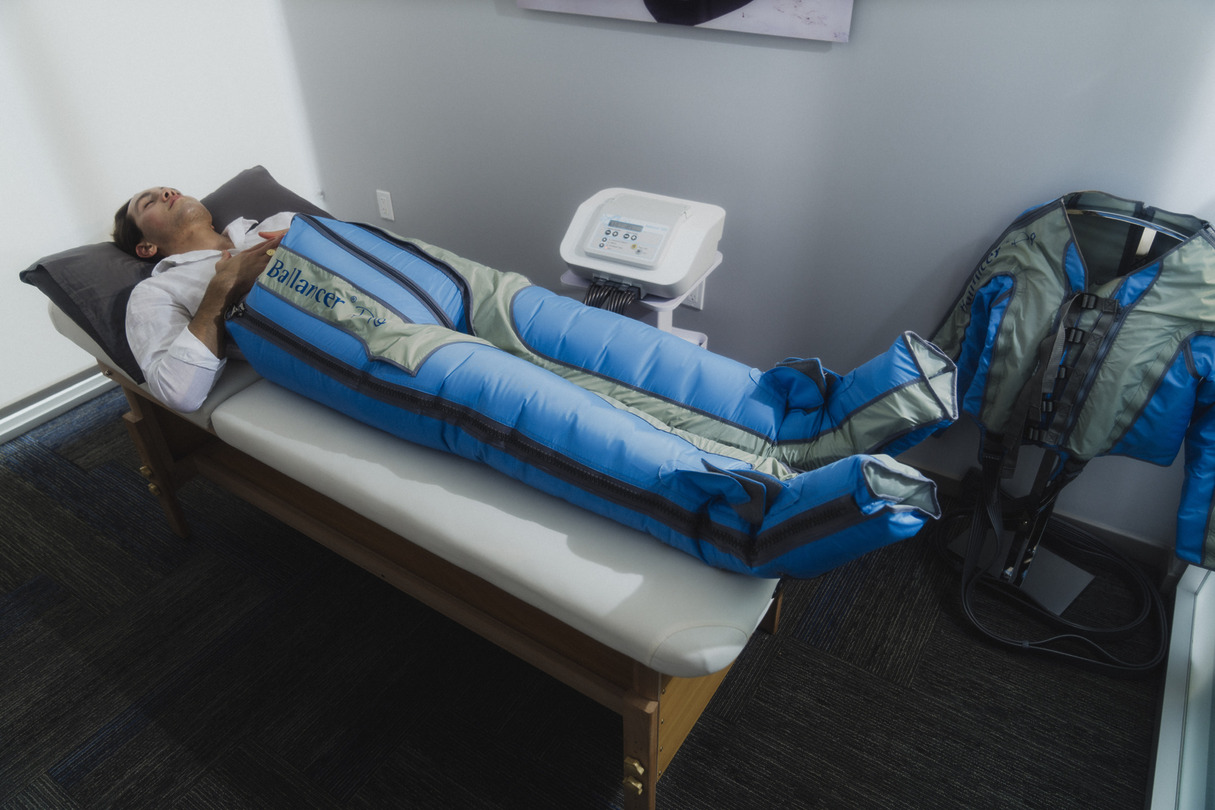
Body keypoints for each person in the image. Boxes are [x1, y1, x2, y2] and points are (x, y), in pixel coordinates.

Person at [116, 185, 956, 578]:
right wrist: (224, 291)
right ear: (146, 246)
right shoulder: (162, 292)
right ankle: (746, 513)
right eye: (141, 206)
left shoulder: (264, 216)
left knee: (625, 352)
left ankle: (821, 423)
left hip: (459, 288)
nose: (158, 190)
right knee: (541, 410)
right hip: (379, 342)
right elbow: (179, 391)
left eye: (163, 184)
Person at [116, 187, 289, 411]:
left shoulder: (282, 221)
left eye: (170, 190)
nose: (167, 193)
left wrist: (309, 237)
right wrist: (224, 286)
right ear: (147, 247)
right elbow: (179, 393)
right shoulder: (156, 290)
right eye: (148, 203)